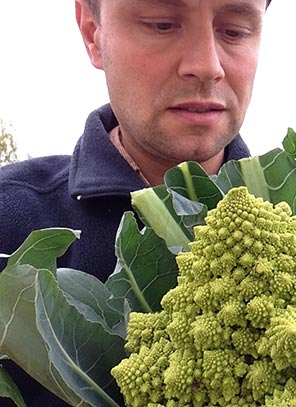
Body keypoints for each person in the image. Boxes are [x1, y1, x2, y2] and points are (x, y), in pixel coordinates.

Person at [0, 0, 271, 405]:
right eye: (161, 24)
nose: (207, 65)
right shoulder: (10, 220)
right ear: (93, 32)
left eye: (234, 30)